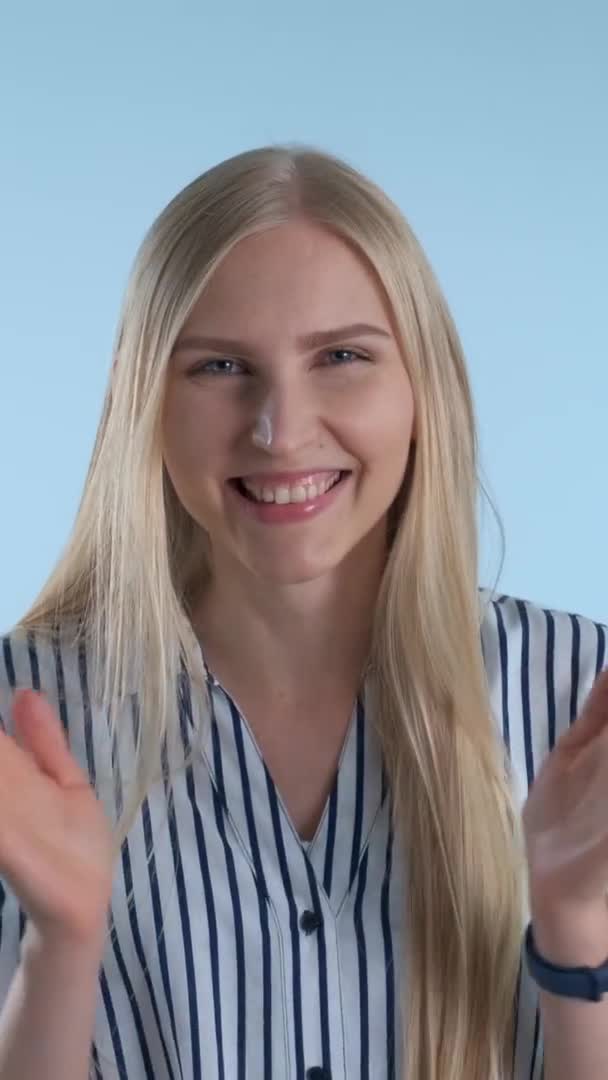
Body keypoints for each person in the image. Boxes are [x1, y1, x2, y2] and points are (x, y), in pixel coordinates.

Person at [0, 145, 606, 1080]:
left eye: (341, 357)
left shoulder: (575, 697)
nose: (281, 431)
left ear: (423, 388)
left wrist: (576, 946)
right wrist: (63, 946)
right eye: (220, 367)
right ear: (143, 398)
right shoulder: (25, 721)